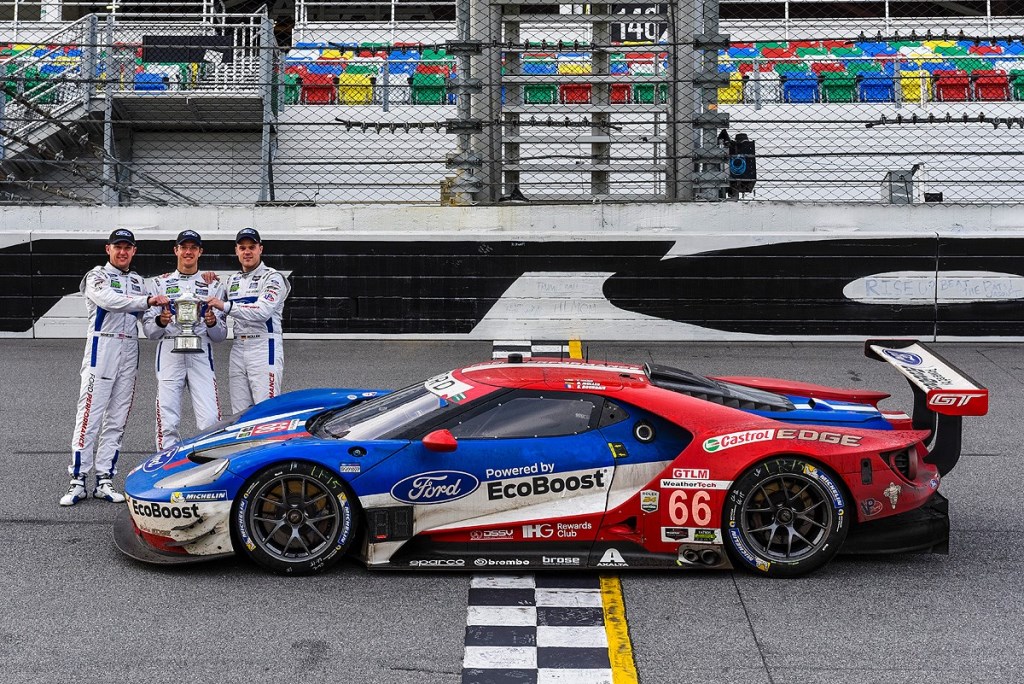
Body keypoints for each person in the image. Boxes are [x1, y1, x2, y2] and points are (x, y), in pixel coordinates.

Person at [61, 230, 170, 506]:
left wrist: (159, 322)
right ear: (108, 248)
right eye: (118, 247)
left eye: (128, 248)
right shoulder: (97, 275)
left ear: (134, 251)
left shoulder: (138, 282)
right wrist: (146, 302)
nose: (122, 252)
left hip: (129, 350)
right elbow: (110, 301)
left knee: (117, 420)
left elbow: (146, 322)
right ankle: (77, 480)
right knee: (89, 416)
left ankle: (104, 479)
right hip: (102, 350)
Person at [142, 230, 227, 450]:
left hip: (201, 349)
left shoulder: (214, 284)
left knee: (210, 419)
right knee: (167, 418)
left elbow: (220, 336)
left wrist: (211, 322)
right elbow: (150, 333)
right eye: (184, 247)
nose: (188, 252)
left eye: (193, 248)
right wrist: (161, 321)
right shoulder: (159, 284)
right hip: (169, 349)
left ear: (200, 252)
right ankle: (164, 470)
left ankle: (207, 472)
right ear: (176, 250)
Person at [205, 228, 291, 413]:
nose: (247, 252)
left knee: (266, 411)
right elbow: (217, 317)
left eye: (252, 247)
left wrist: (226, 306)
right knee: (239, 413)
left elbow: (262, 311)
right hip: (237, 348)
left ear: (261, 249)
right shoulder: (231, 280)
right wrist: (207, 280)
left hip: (264, 346)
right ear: (236, 250)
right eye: (242, 248)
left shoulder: (273, 277)